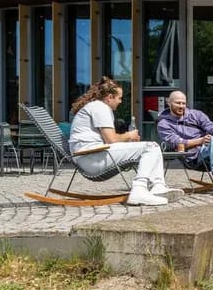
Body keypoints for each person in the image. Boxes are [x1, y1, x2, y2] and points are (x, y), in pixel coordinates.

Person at [68, 77, 183, 206]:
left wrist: (129, 142)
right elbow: (111, 139)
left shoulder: (96, 107)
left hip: (91, 156)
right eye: (119, 98)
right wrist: (129, 135)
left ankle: (158, 186)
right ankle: (139, 190)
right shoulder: (100, 107)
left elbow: (110, 141)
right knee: (150, 146)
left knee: (152, 146)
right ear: (110, 97)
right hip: (91, 158)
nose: (120, 101)